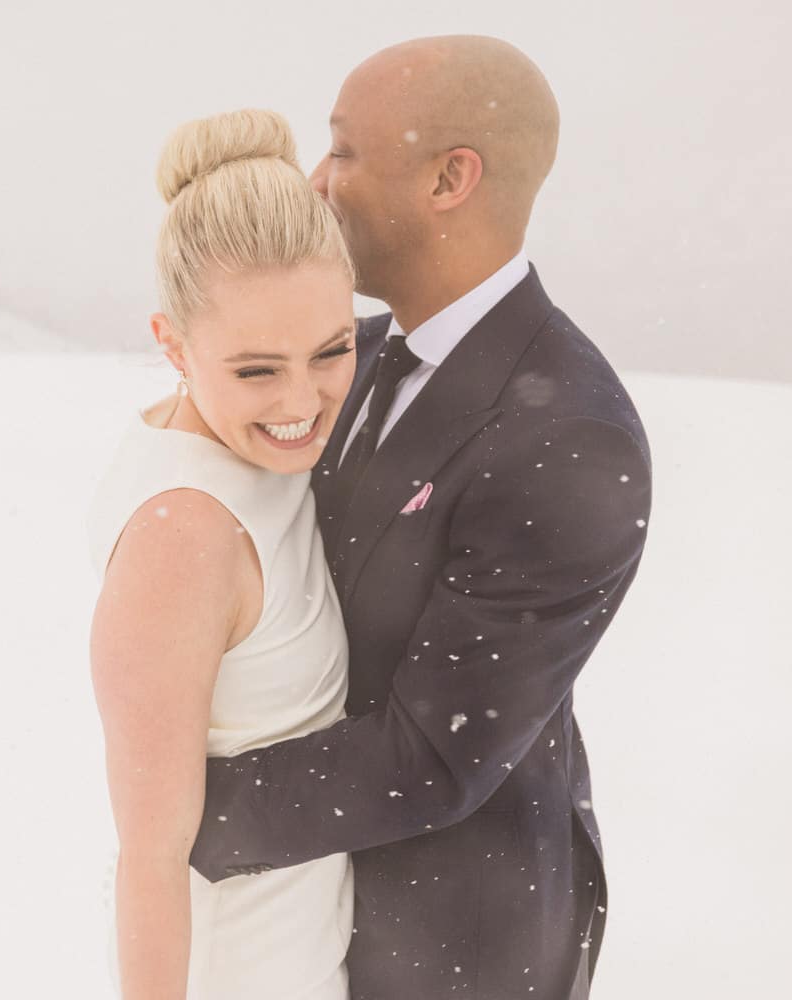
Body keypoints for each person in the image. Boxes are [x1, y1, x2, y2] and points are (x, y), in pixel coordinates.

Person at [185, 36, 653, 999]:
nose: (317, 181)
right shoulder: (340, 355)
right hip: (303, 913)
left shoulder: (570, 435)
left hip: (454, 944)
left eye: (346, 150)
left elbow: (432, 757)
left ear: (452, 178)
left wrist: (179, 814)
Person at [86, 108, 360, 999]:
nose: (303, 401)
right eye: (256, 370)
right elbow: (151, 860)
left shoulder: (244, 451)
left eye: (332, 350)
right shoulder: (186, 536)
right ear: (171, 343)